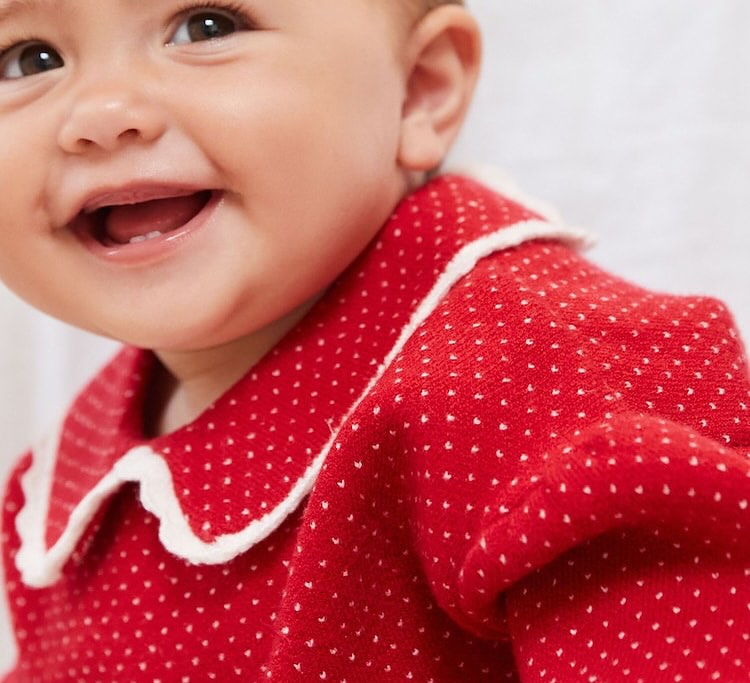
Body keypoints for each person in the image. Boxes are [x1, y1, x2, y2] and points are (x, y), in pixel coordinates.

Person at [1, 0, 748, 680]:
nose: (100, 113)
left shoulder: (546, 377)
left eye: (206, 26)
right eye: (28, 59)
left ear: (420, 88)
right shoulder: (60, 496)